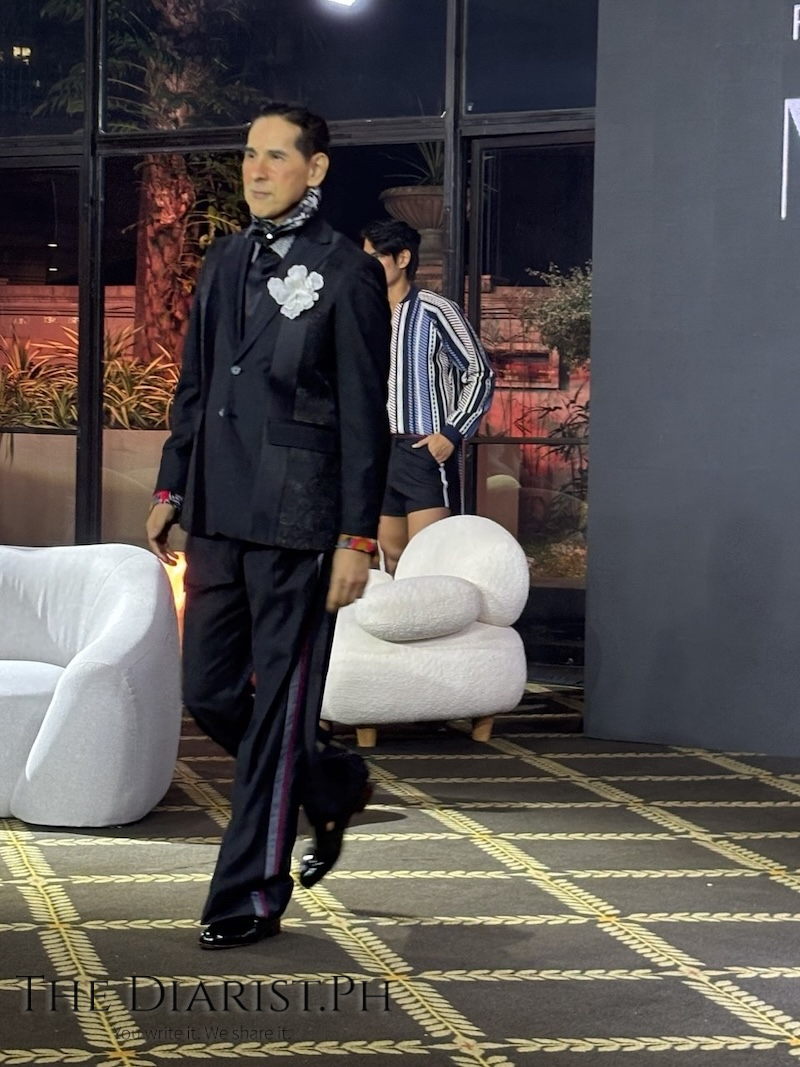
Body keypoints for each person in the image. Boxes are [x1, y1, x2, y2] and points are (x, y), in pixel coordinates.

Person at [146, 103, 391, 951]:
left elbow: (365, 420)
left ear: (314, 169)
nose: (256, 169)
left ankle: (249, 892)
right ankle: (328, 780)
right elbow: (195, 385)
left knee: (282, 711)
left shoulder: (347, 273)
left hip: (301, 523)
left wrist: (356, 538)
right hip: (217, 510)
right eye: (249, 154)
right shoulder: (222, 260)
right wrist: (172, 483)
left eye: (276, 155)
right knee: (210, 693)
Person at [360, 218, 495, 574]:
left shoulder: (436, 310)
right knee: (392, 557)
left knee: (429, 560)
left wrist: (451, 434)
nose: (367, 266)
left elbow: (479, 373)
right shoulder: (365, 314)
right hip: (380, 452)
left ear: (402, 258)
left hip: (423, 450)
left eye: (376, 257)